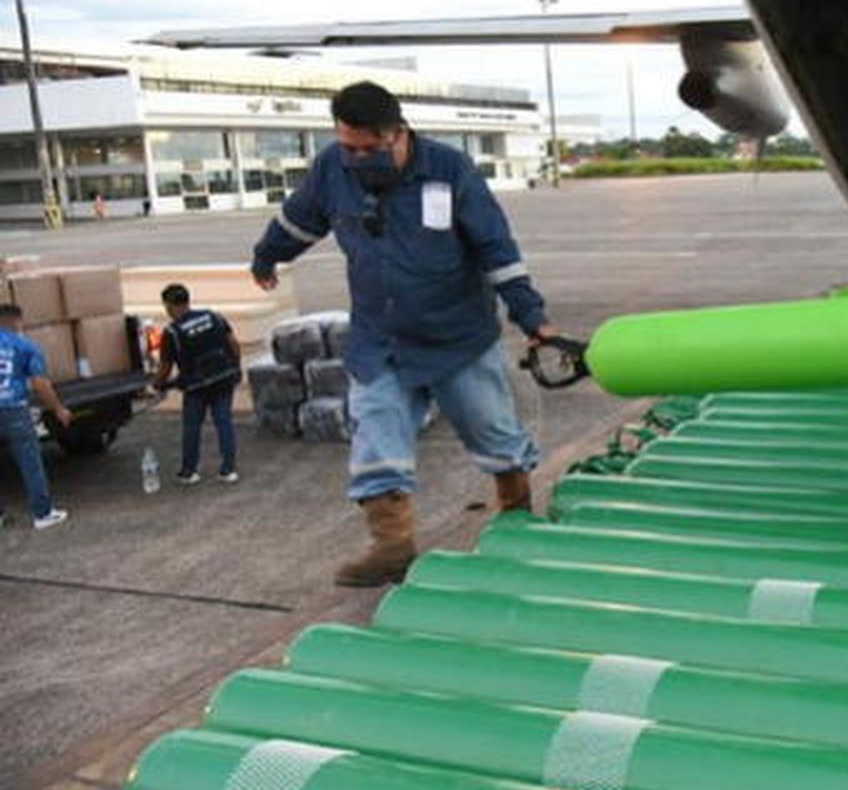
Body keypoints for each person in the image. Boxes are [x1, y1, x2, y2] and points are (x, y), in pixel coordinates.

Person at [250, 80, 554, 587]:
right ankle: (392, 548)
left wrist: (531, 315)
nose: (357, 158)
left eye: (369, 148)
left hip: (457, 335)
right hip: (381, 339)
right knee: (375, 440)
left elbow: (495, 246)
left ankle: (517, 514)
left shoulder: (449, 170)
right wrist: (267, 256)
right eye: (349, 147)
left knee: (496, 435)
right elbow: (300, 219)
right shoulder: (331, 168)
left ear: (398, 132)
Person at [152, 284, 242, 485]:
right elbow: (233, 344)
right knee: (224, 423)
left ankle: (189, 472)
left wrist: (157, 384)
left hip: (196, 387)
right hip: (223, 378)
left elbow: (165, 366)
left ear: (169, 305)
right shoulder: (213, 316)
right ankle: (228, 470)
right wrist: (236, 368)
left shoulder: (172, 332)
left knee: (192, 427)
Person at [0, 304, 72, 529]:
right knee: (29, 461)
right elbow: (40, 383)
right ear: (17, 322)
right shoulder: (26, 346)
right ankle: (43, 513)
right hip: (14, 408)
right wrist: (58, 408)